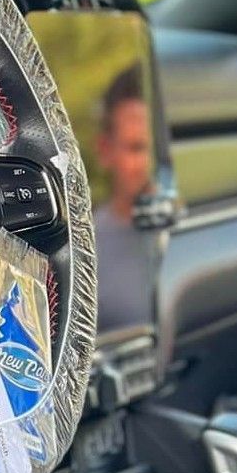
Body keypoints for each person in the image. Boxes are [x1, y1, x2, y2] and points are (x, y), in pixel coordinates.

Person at [91, 63, 155, 334]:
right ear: (106, 151)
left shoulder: (208, 225)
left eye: (160, 147)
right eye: (137, 147)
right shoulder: (86, 251)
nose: (152, 164)